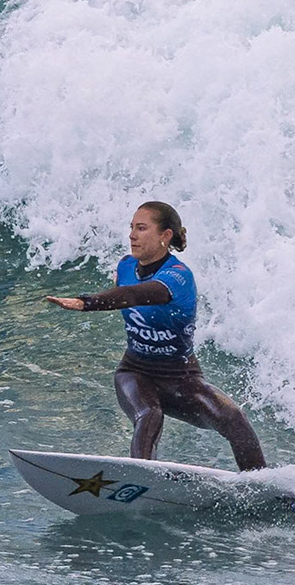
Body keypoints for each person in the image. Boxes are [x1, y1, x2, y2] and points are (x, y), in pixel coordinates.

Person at [45, 202, 267, 471]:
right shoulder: (126, 267)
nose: (132, 235)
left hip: (181, 377)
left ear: (165, 235)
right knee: (149, 414)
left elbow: (133, 295)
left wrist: (87, 302)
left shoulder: (178, 276)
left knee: (234, 419)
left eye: (141, 228)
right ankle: (142, 479)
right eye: (131, 228)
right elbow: (125, 292)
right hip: (135, 372)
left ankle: (259, 483)